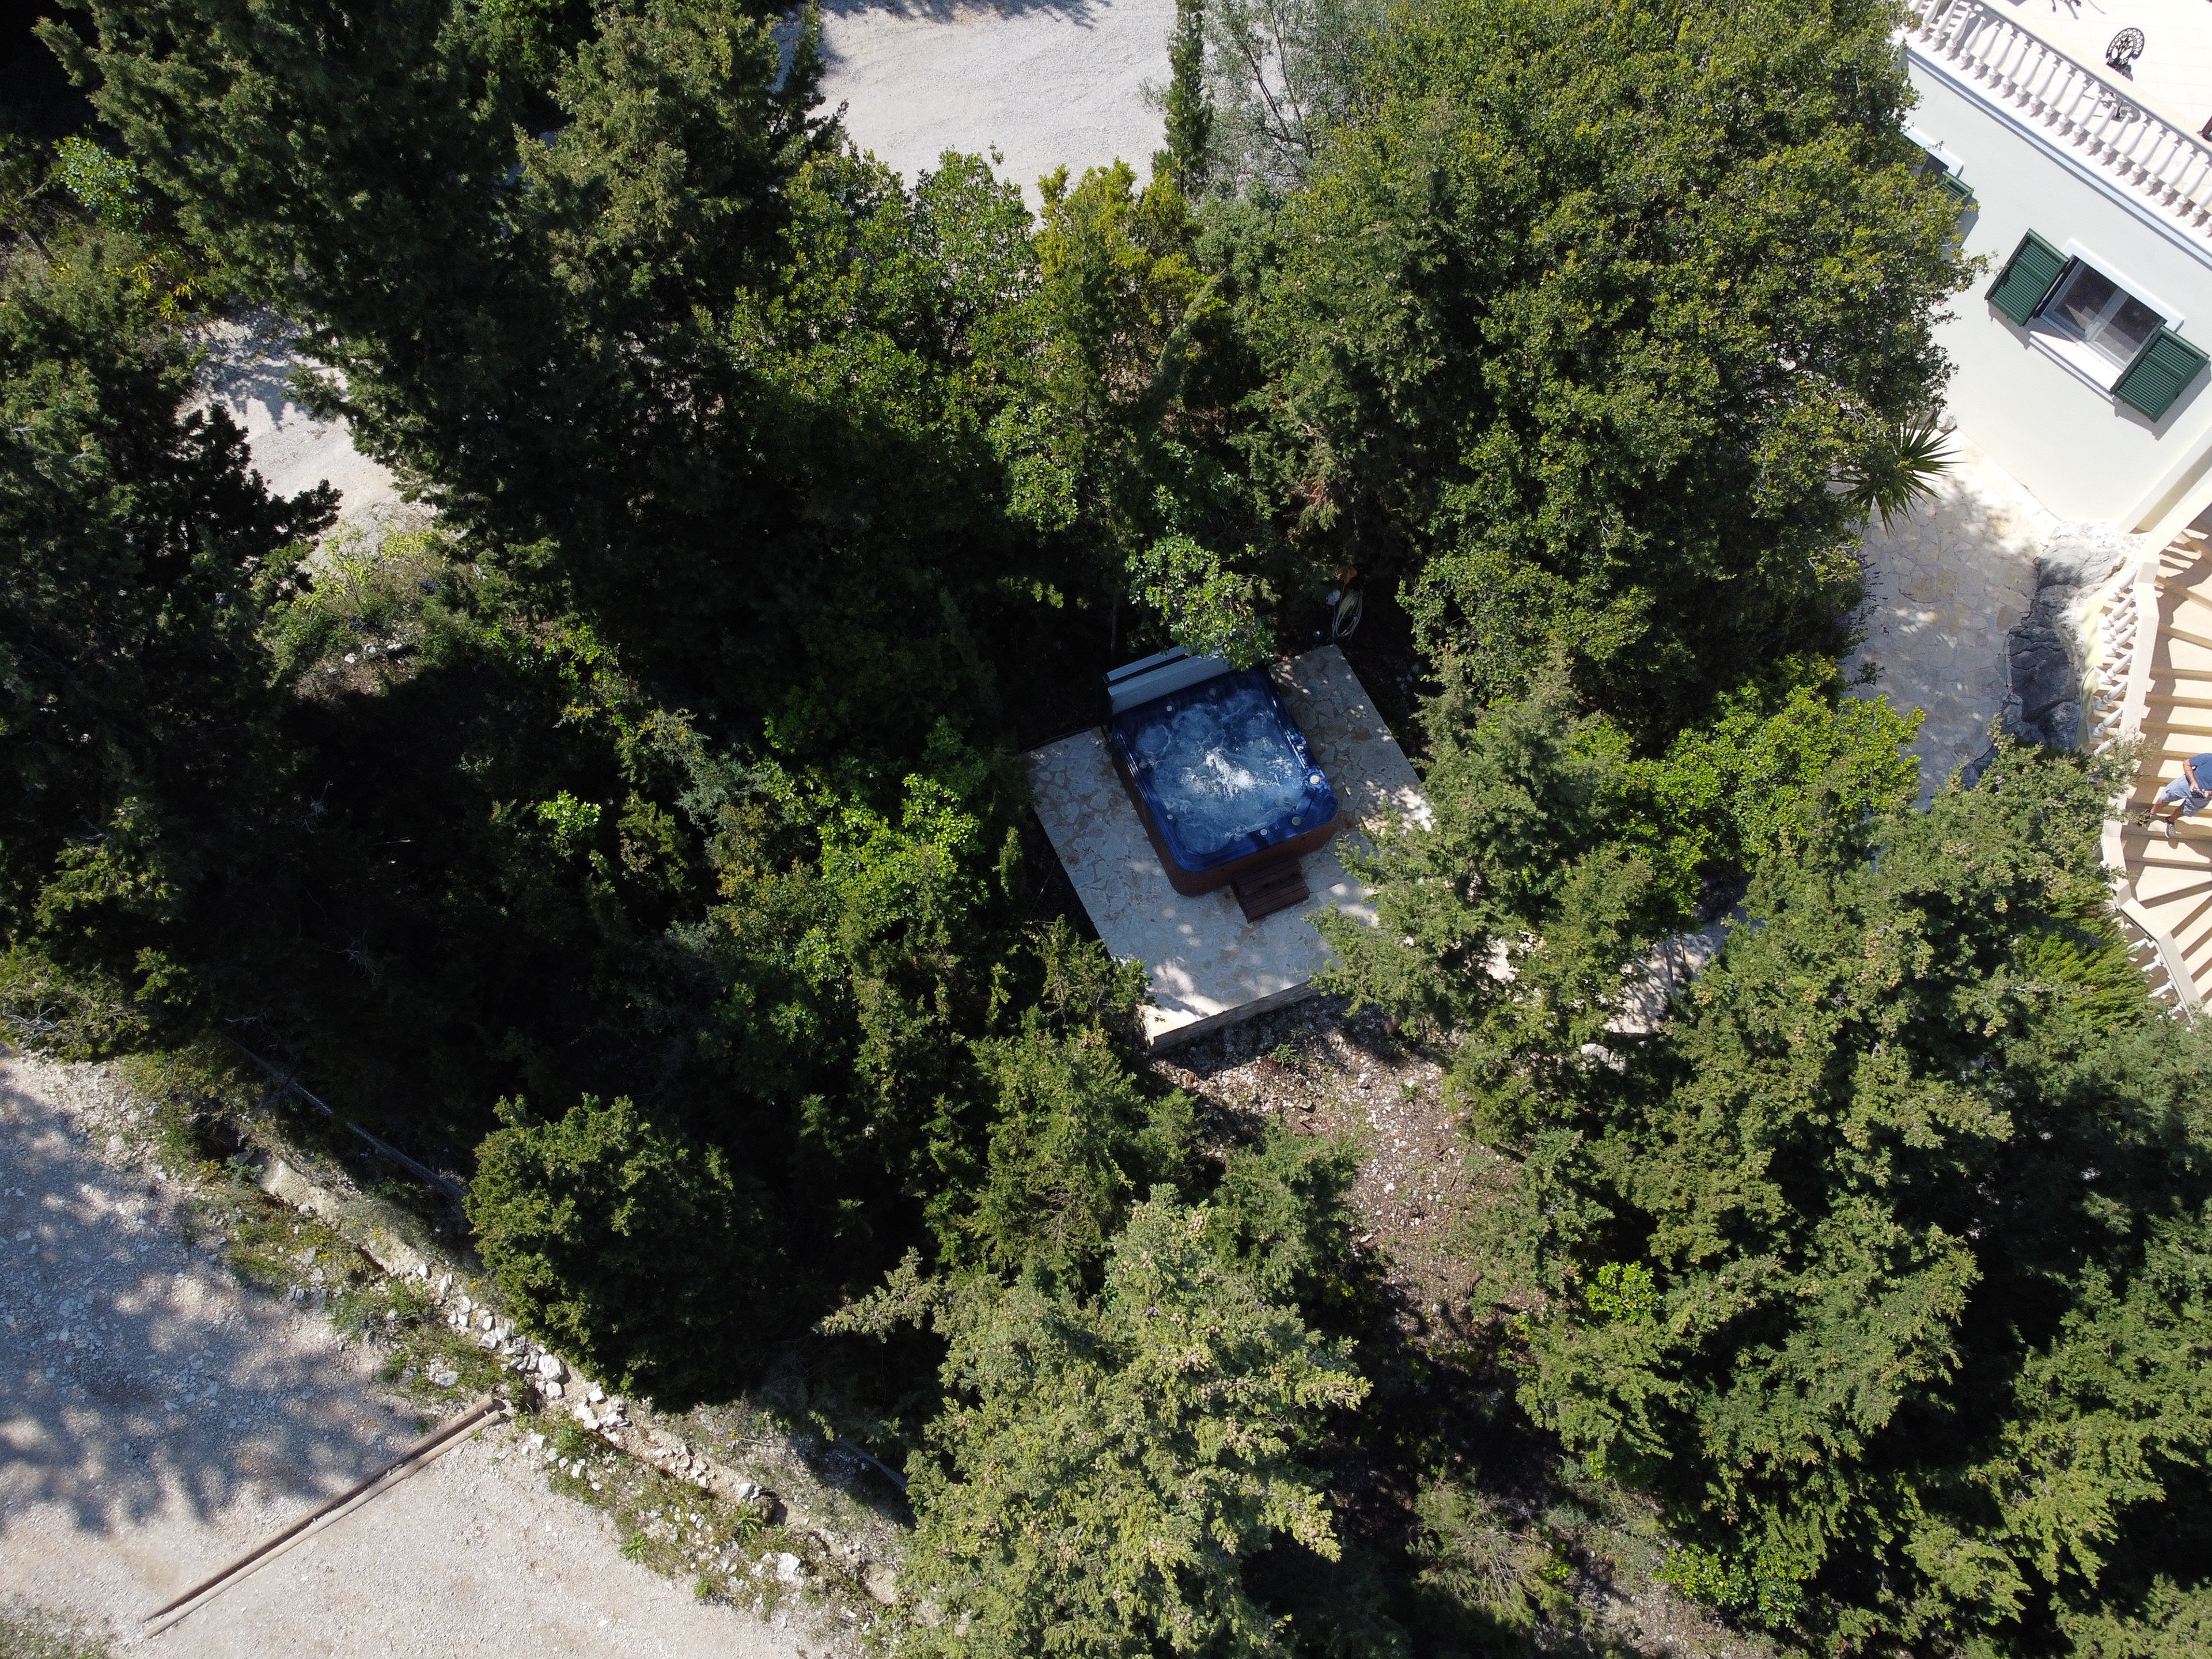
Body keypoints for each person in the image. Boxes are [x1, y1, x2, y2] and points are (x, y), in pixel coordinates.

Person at [2150, 752, 2212, 833]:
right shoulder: (2208, 758)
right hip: (2186, 783)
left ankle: (2170, 820)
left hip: (2202, 796)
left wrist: (2210, 793)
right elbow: (2186, 764)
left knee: (2186, 811)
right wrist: (2193, 782)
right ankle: (2150, 814)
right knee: (2164, 799)